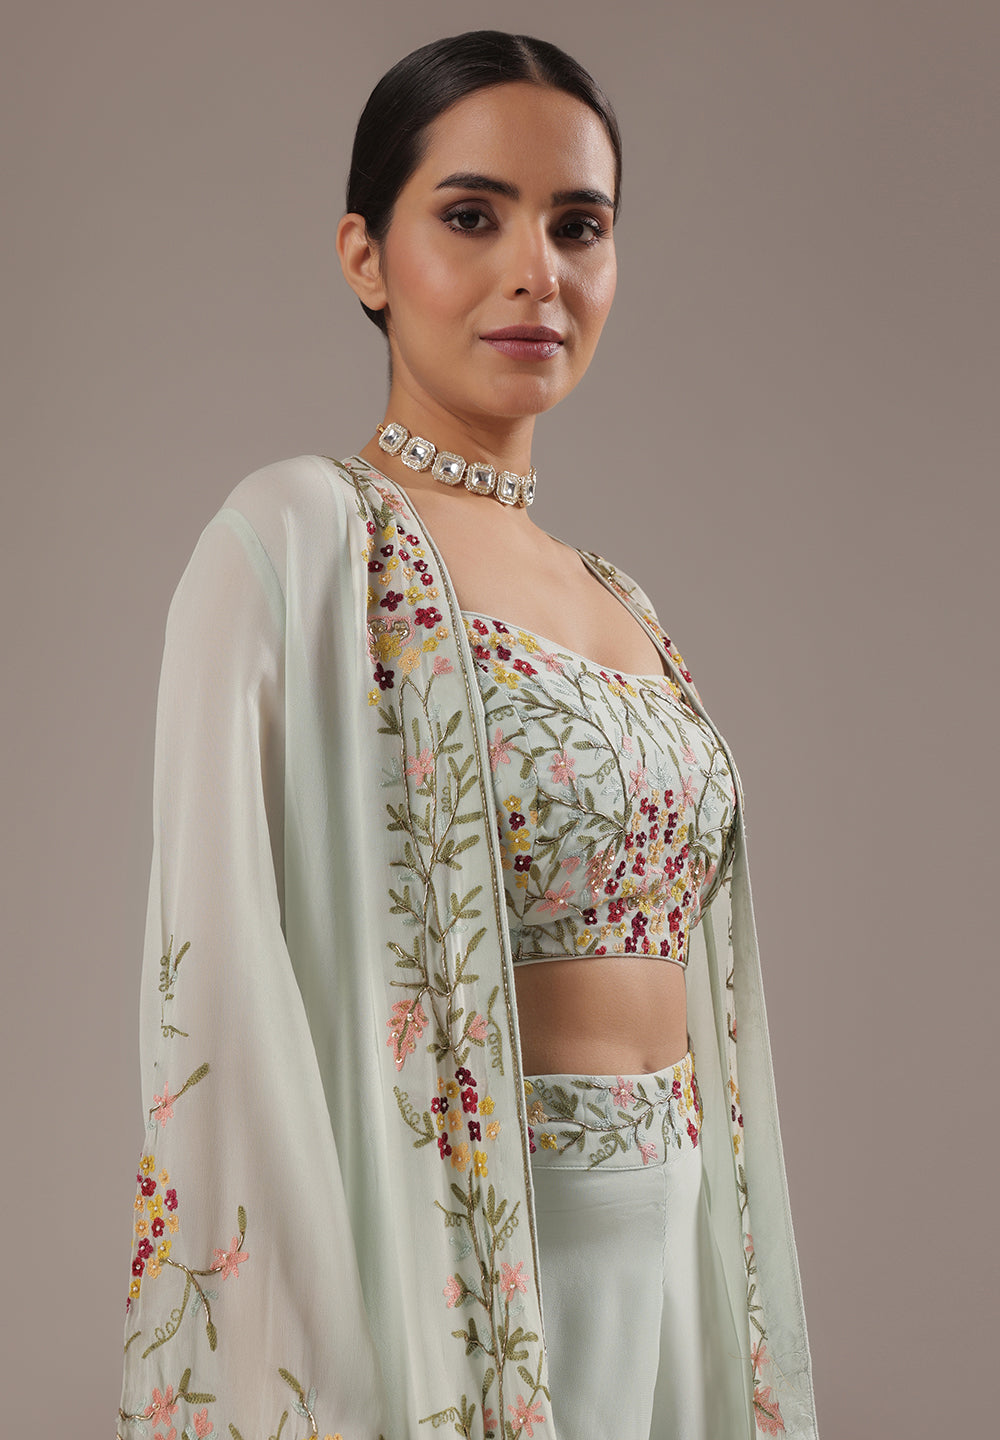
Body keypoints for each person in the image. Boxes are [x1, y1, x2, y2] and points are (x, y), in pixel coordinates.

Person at [117, 30, 817, 1440]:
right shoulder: (300, 541)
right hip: (453, 1263)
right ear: (366, 257)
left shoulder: (617, 595)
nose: (535, 273)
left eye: (579, 227)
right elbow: (223, 984)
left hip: (673, 1254)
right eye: (472, 216)